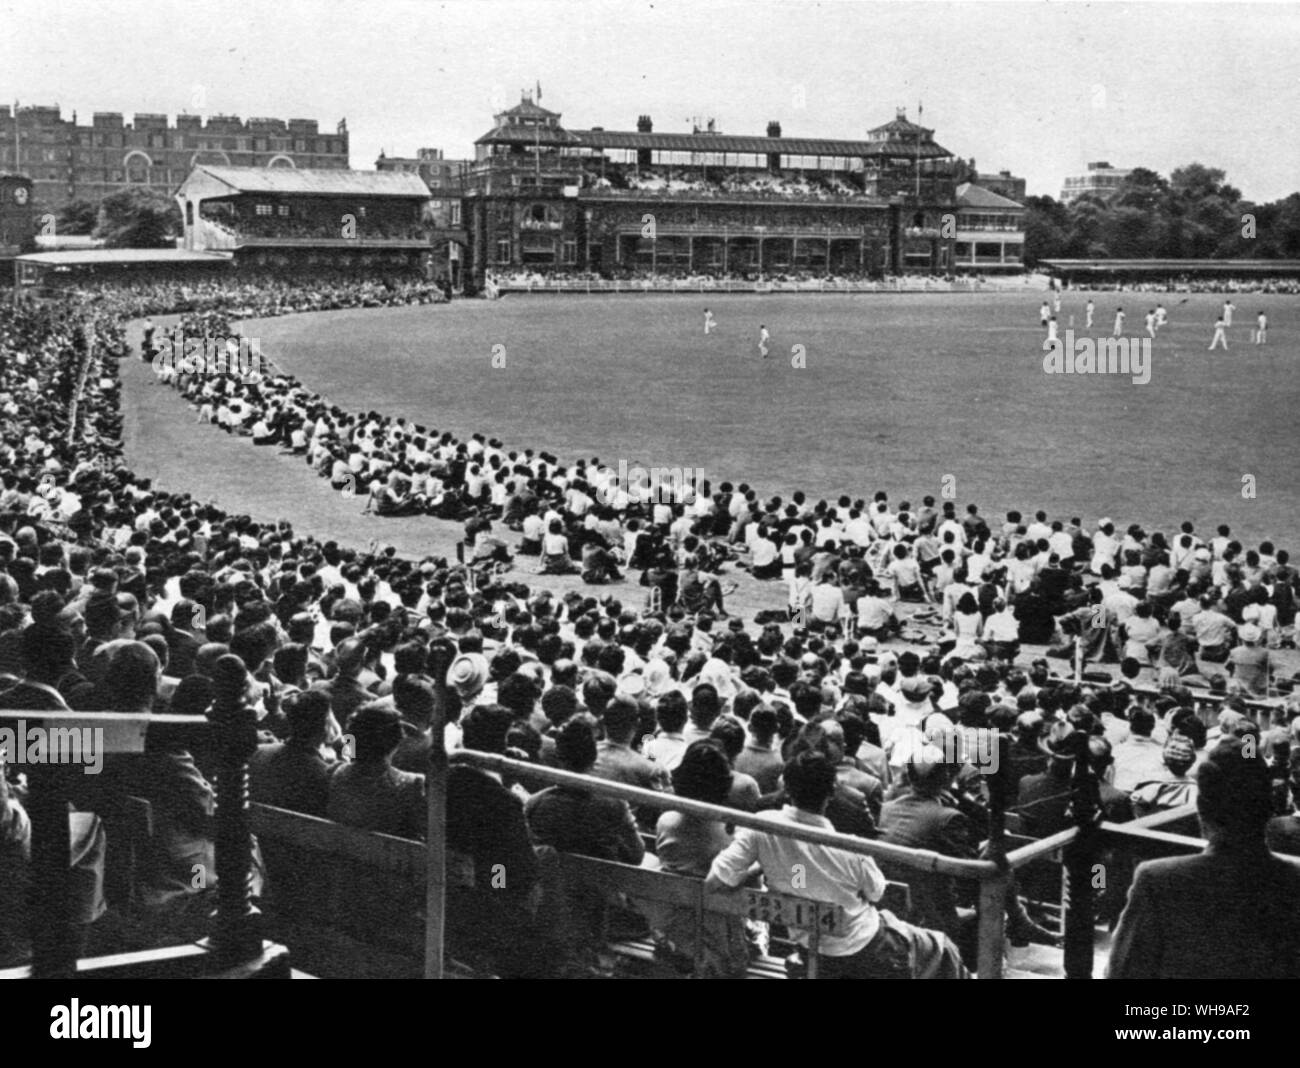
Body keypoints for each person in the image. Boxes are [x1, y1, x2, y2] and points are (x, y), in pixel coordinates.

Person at [706, 750, 969, 979]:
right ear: (832, 791)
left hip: (812, 950)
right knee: (944, 949)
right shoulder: (850, 847)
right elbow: (876, 892)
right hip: (865, 948)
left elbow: (716, 881)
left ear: (785, 786)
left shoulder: (762, 827)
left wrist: (769, 867)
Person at [1108, 738, 1300, 979]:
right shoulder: (1293, 881)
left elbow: (1122, 972)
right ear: (1268, 808)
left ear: (1201, 807)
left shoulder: (1156, 881)